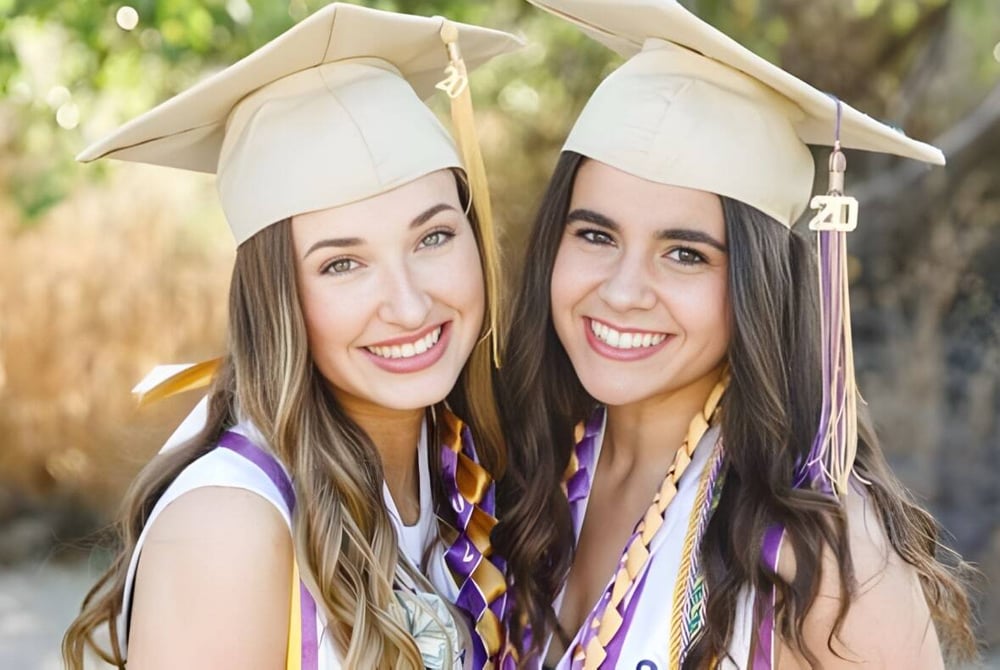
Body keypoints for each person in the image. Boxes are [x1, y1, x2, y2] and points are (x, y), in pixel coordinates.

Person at [494, 1, 977, 668]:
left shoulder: (822, 559)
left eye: (685, 253)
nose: (623, 291)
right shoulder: (520, 469)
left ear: (759, 284)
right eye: (596, 235)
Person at [62, 4, 521, 669]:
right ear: (275, 299)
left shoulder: (458, 466)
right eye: (342, 264)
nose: (409, 303)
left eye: (434, 237)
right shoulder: (229, 525)